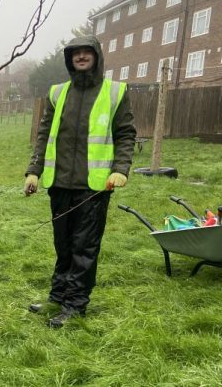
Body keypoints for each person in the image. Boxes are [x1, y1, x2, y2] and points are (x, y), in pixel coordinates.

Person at [23, 35, 136, 328]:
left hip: (94, 187)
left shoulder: (115, 92)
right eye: (76, 53)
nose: (82, 57)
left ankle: (75, 307)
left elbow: (125, 134)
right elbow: (44, 134)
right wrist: (33, 171)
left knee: (83, 248)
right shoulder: (57, 93)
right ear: (69, 58)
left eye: (87, 52)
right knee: (63, 245)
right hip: (59, 183)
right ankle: (58, 298)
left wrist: (121, 168)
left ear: (97, 56)